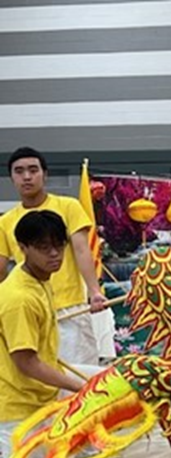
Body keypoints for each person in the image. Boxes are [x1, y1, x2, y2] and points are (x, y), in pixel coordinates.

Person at [0, 211, 124, 458]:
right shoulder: (18, 298)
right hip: (16, 400)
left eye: (59, 245)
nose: (54, 254)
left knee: (116, 384)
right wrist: (81, 387)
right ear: (23, 248)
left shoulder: (40, 279)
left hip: (41, 390)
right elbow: (26, 363)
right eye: (44, 248)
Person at [0, 147, 107, 366]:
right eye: (19, 171)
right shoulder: (5, 222)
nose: (27, 177)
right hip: (30, 313)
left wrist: (94, 291)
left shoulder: (68, 206)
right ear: (11, 178)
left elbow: (81, 250)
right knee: (37, 379)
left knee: (80, 379)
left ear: (45, 174)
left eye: (33, 170)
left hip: (70, 310)